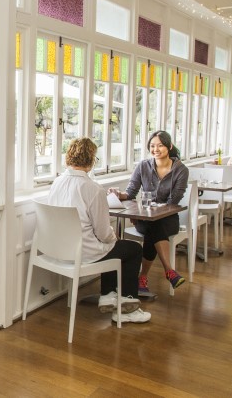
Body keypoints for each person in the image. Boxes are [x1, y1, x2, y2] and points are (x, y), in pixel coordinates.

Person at [47, 138, 150, 324]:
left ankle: (108, 295)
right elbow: (103, 233)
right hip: (82, 254)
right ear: (92, 160)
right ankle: (127, 308)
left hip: (56, 250)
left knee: (112, 246)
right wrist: (113, 237)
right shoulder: (93, 188)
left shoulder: (57, 182)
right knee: (132, 249)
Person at [109, 130, 189, 295]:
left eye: (160, 145)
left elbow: (174, 201)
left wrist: (150, 213)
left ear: (169, 146)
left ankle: (143, 276)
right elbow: (130, 193)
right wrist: (118, 194)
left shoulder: (181, 170)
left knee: (155, 226)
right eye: (152, 146)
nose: (156, 149)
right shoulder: (143, 166)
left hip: (168, 219)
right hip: (145, 220)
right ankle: (169, 272)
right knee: (153, 226)